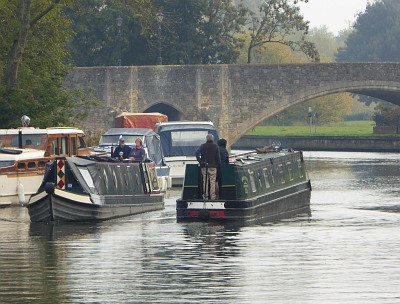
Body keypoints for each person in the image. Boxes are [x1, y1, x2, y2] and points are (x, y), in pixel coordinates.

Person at [195, 133, 221, 200]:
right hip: (213, 166)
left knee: (205, 181)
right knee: (212, 181)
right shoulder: (215, 146)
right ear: (213, 139)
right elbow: (218, 158)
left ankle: (205, 196)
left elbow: (196, 153)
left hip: (204, 166)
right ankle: (212, 196)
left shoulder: (203, 146)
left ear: (206, 139)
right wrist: (219, 165)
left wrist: (200, 161)